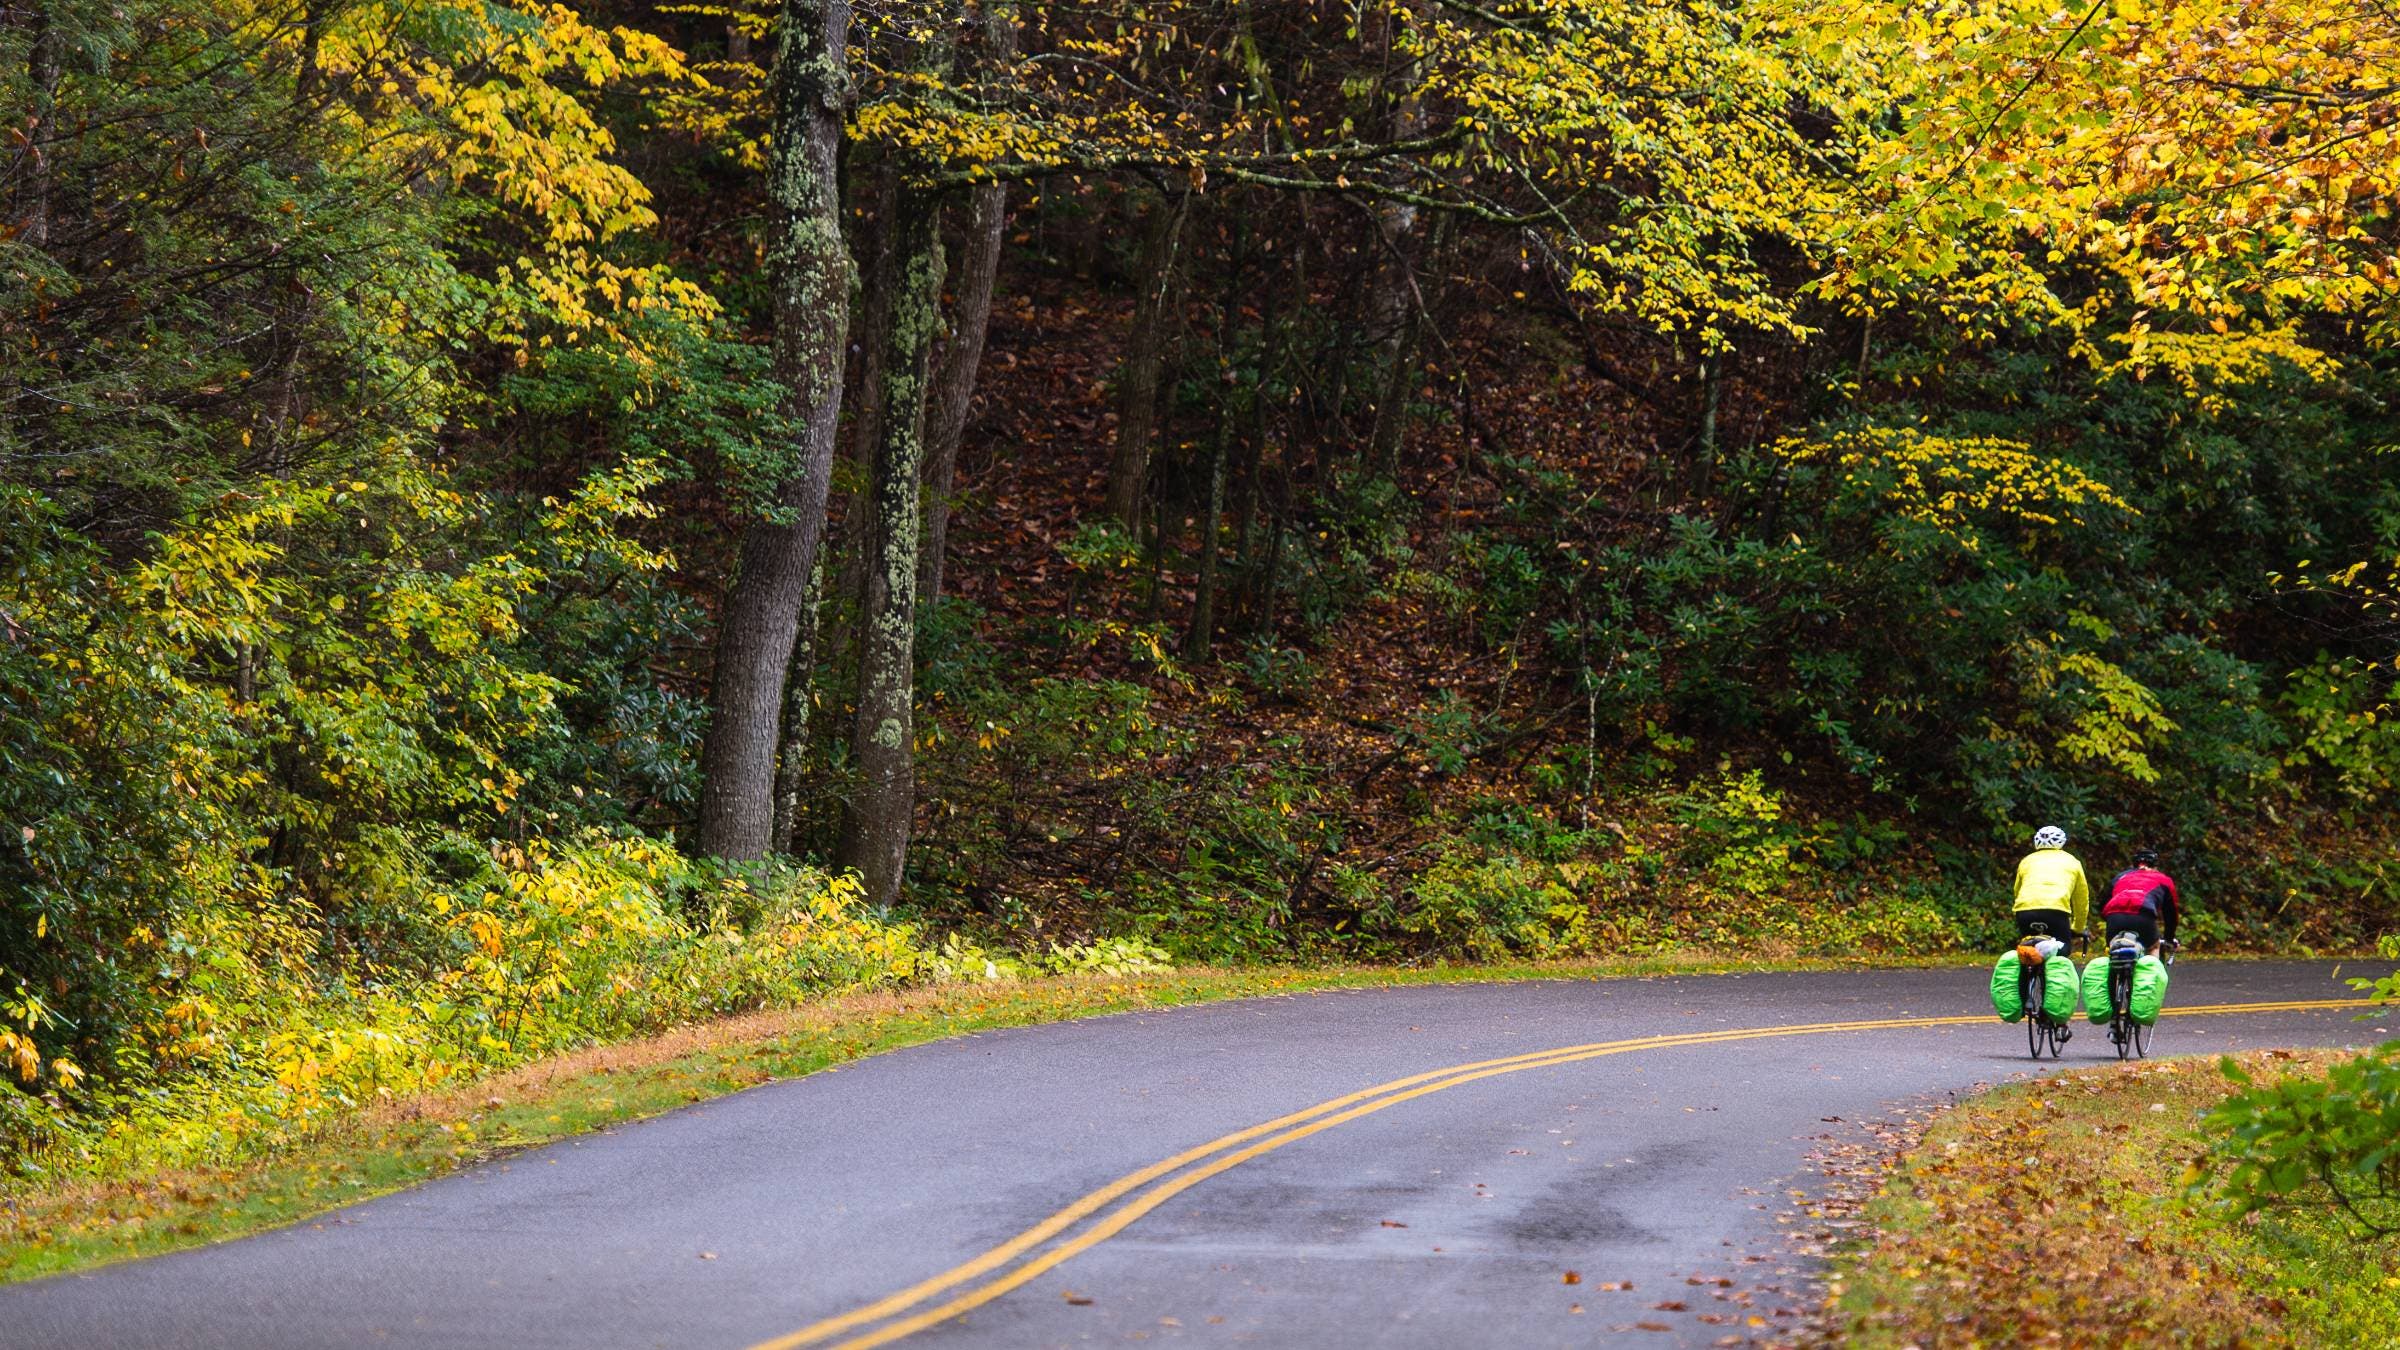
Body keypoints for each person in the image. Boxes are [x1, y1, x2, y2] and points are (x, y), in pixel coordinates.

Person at [2013, 825, 2090, 950]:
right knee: (2062, 949)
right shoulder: (2072, 861)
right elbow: (2081, 899)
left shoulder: (2026, 861)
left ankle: (2025, 968)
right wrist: (2078, 927)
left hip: (2025, 911)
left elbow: (2017, 891)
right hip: (2056, 910)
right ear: (2062, 843)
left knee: (2027, 951)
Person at [2103, 848, 2181, 953]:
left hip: (2114, 918)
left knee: (2113, 950)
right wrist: (2169, 938)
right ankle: (2154, 967)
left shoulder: (2120, 877)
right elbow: (2171, 914)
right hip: (2143, 915)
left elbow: (2104, 901)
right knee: (2153, 947)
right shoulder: (2164, 879)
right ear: (2155, 866)